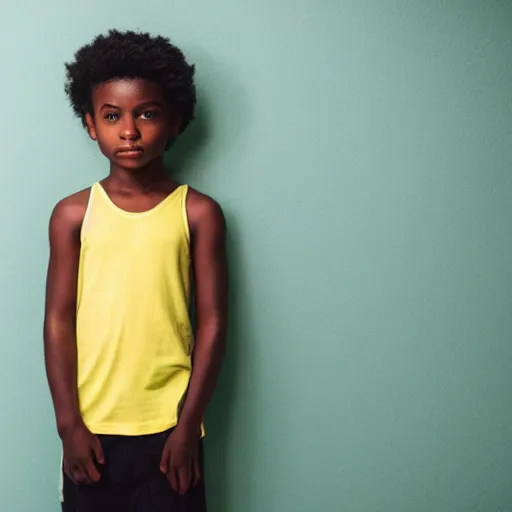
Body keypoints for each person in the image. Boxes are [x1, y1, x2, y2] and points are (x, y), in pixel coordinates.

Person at [43, 29, 228, 512]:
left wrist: (188, 426)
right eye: (111, 116)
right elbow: (58, 322)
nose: (129, 130)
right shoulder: (73, 215)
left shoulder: (198, 213)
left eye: (146, 113)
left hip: (171, 432)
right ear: (90, 124)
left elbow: (212, 324)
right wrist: (69, 425)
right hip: (92, 431)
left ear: (175, 121)